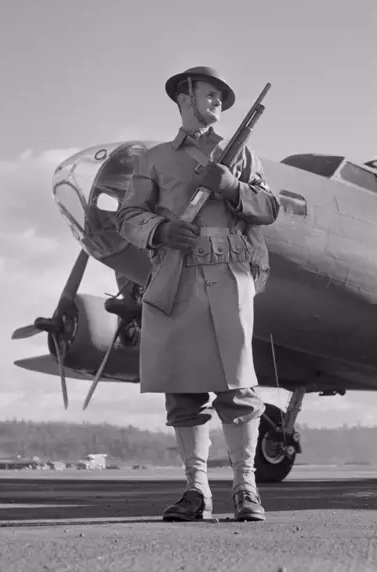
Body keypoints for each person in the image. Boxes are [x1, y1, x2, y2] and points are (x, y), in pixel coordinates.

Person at [117, 66, 280, 522]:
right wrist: (162, 229)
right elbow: (128, 216)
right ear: (184, 96)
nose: (219, 102)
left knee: (239, 389)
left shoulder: (242, 155)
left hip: (230, 275)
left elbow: (269, 208)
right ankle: (196, 493)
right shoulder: (153, 159)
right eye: (211, 93)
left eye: (224, 98)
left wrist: (230, 186)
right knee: (183, 392)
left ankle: (247, 490)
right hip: (176, 275)